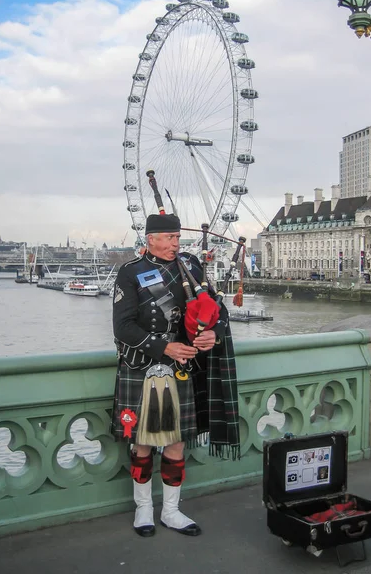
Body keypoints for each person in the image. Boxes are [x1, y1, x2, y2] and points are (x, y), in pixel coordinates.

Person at [111, 212, 240, 538]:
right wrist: (164, 348)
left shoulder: (191, 267)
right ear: (150, 238)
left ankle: (171, 511)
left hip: (182, 370)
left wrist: (214, 333)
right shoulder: (130, 273)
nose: (175, 244)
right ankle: (144, 510)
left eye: (177, 238)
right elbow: (122, 327)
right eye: (169, 238)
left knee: (176, 443)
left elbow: (217, 311)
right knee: (141, 443)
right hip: (144, 366)